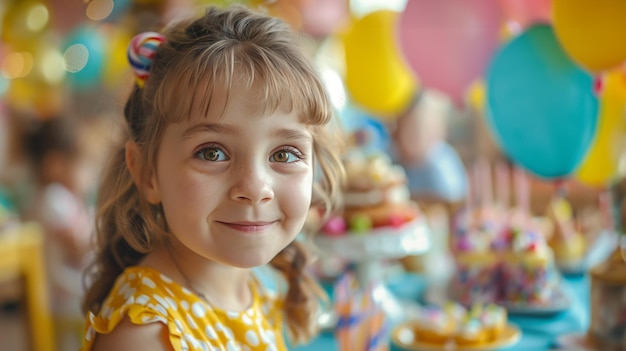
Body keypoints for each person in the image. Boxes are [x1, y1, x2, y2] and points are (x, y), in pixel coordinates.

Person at [80, 5, 344, 351]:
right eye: (212, 153)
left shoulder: (257, 283)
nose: (255, 189)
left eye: (284, 154)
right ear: (146, 173)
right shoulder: (144, 336)